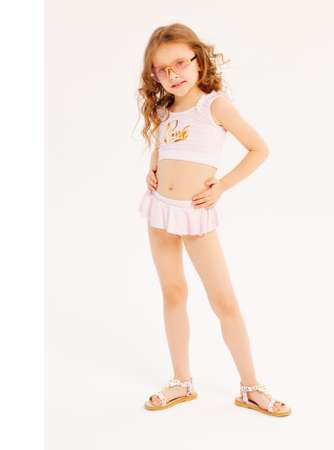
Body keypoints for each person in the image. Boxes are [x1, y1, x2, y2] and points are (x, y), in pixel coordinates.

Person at [137, 23, 291, 417]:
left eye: (180, 63)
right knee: (173, 293)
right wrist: (153, 169)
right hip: (160, 209)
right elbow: (165, 147)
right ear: (154, 75)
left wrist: (221, 186)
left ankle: (251, 386)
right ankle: (182, 380)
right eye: (163, 69)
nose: (173, 74)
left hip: (196, 213)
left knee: (223, 300)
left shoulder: (214, 105)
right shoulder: (164, 109)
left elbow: (259, 149)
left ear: (198, 60)